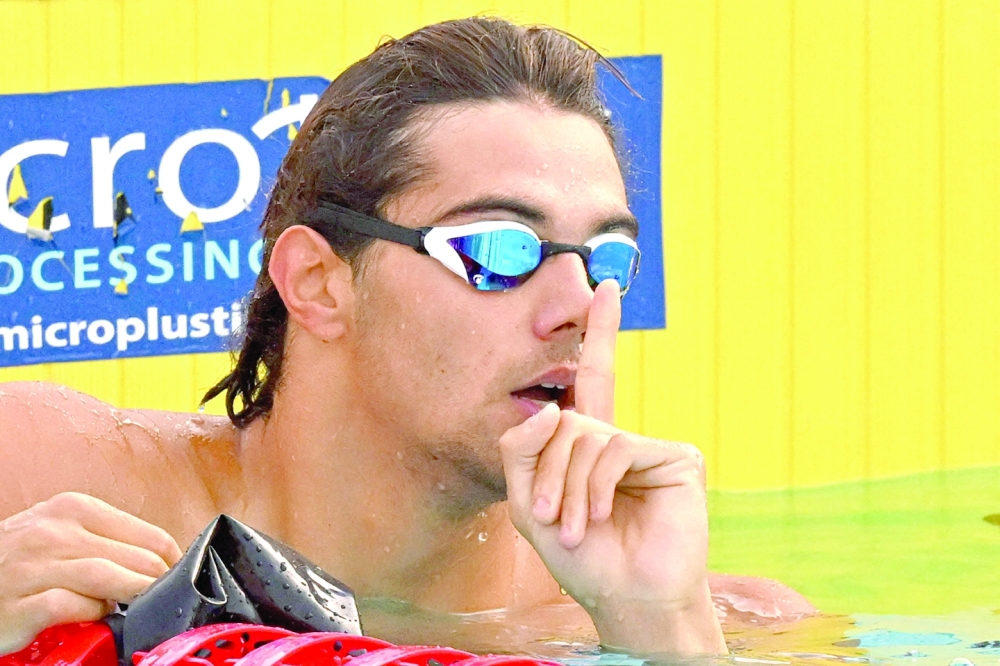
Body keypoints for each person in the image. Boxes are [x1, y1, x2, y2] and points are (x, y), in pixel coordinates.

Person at [0, 17, 813, 658]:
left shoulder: (715, 619)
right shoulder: (43, 484)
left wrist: (663, 635)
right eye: (498, 250)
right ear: (318, 283)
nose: (578, 304)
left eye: (606, 259)